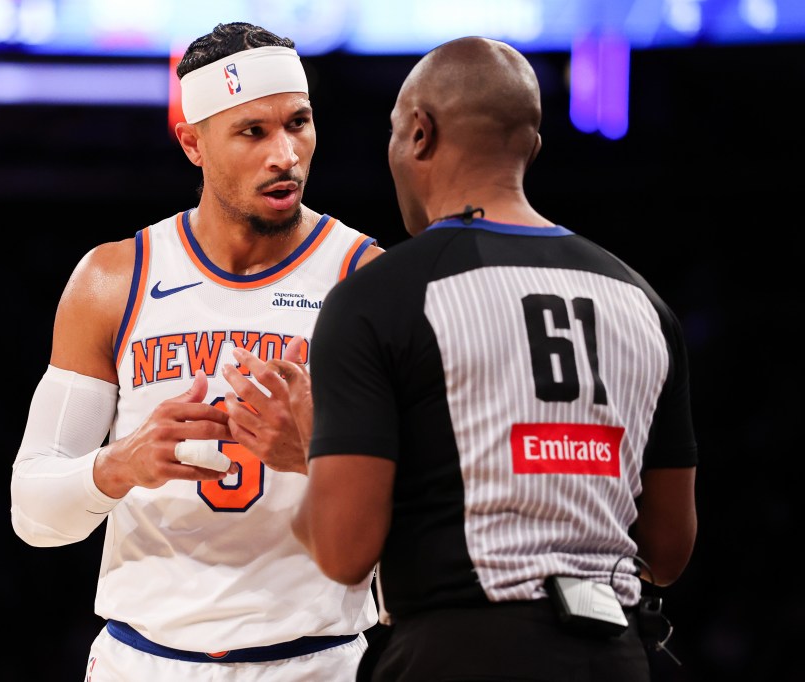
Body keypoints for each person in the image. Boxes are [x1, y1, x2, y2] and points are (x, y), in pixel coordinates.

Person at [281, 36, 698, 681]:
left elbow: (343, 550)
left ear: (419, 134)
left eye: (394, 134)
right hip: (615, 655)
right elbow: (668, 549)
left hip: (458, 652)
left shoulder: (380, 296)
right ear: (531, 148)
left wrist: (312, 447)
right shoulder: (641, 301)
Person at [9, 21, 383, 682]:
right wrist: (119, 466)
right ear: (193, 143)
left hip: (313, 661)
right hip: (141, 661)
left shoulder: (365, 280)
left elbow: (429, 512)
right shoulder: (112, 280)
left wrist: (312, 456)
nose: (286, 155)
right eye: (252, 132)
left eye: (298, 123)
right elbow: (34, 515)